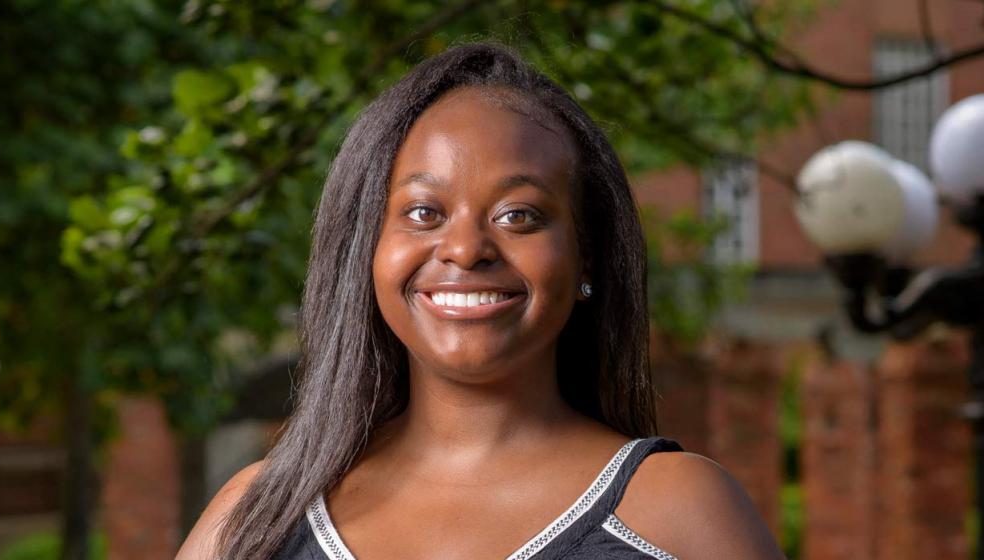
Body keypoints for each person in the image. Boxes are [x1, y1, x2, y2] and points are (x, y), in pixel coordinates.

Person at [176, 41, 784, 560]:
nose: (466, 248)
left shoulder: (678, 513)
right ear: (366, 248)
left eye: (519, 215)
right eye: (423, 213)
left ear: (587, 258)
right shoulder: (255, 520)